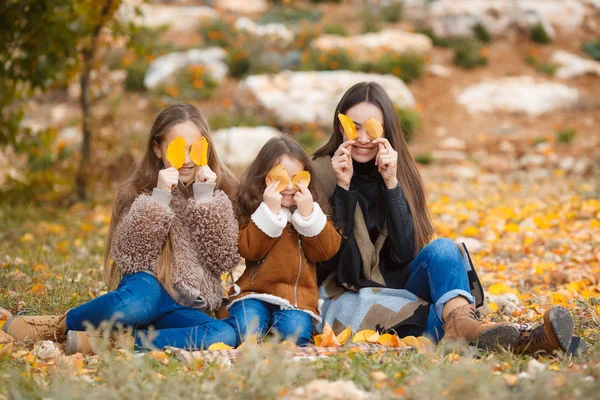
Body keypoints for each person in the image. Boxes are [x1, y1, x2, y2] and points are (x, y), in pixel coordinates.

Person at [311, 82, 574, 353]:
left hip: (402, 283)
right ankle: (525, 339)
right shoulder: (320, 173)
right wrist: (343, 190)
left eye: (373, 128)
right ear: (340, 126)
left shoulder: (397, 168)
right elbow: (337, 267)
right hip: (350, 292)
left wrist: (391, 184)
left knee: (444, 249)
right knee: (426, 318)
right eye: (354, 127)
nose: (364, 139)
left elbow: (404, 254)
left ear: (387, 128)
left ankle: (465, 326)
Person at [4, 104, 241, 353]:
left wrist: (205, 200)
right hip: (148, 289)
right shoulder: (138, 191)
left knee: (223, 333)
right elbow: (131, 256)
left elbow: (223, 259)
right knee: (129, 306)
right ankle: (61, 324)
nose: (187, 159)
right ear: (157, 148)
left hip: (187, 305)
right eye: (177, 148)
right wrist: (160, 198)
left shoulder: (220, 193)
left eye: (195, 149)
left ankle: (119, 342)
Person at [225, 136, 341, 346]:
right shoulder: (253, 210)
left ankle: (275, 340)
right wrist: (269, 213)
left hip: (297, 300)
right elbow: (249, 250)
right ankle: (258, 343)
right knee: (245, 329)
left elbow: (325, 252)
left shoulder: (312, 212)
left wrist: (308, 217)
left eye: (297, 178)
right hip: (254, 293)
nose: (289, 187)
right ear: (263, 178)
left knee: (293, 336)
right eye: (280, 178)